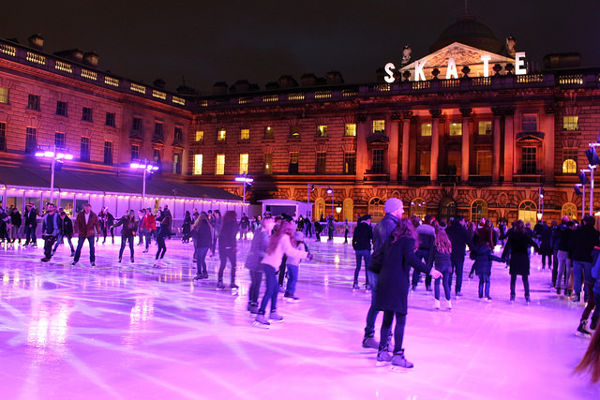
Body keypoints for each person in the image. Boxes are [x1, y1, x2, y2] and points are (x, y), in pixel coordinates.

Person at [373, 218, 442, 367]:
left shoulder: (390, 241)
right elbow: (412, 259)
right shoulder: (408, 241)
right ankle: (397, 354)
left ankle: (382, 352)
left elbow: (378, 257)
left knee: (387, 318)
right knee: (401, 318)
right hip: (398, 284)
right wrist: (430, 270)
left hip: (385, 281)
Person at [362, 198, 404, 349]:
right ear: (394, 210)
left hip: (375, 266)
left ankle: (369, 335)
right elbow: (390, 250)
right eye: (401, 208)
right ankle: (386, 339)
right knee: (389, 305)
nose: (403, 211)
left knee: (376, 304)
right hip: (383, 269)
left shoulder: (380, 224)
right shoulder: (392, 225)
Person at [254, 220, 308, 327]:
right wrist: (306, 255)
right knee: (270, 290)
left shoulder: (276, 236)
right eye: (291, 228)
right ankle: (260, 314)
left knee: (274, 290)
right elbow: (290, 252)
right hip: (270, 265)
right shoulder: (284, 237)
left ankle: (273, 312)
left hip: (269, 265)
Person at [502, 220, 539, 302]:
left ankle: (512, 295)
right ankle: (527, 295)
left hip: (515, 257)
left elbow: (507, 246)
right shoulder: (525, 235)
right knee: (525, 278)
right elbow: (533, 243)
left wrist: (503, 256)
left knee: (513, 278)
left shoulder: (512, 235)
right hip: (523, 258)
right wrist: (539, 249)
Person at [246, 216, 274, 313]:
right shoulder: (263, 234)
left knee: (254, 282)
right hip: (257, 261)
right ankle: (253, 303)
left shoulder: (260, 232)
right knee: (256, 283)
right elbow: (262, 248)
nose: (273, 224)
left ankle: (251, 302)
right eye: (271, 222)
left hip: (253, 260)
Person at [570, 215, 600, 303]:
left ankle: (577, 294)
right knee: (588, 278)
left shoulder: (577, 231)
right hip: (589, 258)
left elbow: (572, 244)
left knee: (577, 276)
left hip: (577, 256)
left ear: (584, 222)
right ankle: (587, 295)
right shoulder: (596, 233)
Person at [428, 226, 453, 310]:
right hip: (448, 265)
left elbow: (431, 256)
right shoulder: (448, 243)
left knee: (437, 283)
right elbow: (450, 255)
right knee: (446, 284)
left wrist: (429, 266)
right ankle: (449, 303)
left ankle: (437, 303)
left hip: (439, 266)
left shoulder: (435, 244)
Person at [446, 216, 470, 296]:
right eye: (463, 221)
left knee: (449, 272)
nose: (464, 223)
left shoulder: (448, 229)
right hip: (459, 255)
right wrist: (475, 250)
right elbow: (469, 241)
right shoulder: (463, 230)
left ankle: (448, 288)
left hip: (450, 254)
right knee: (459, 273)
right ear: (460, 221)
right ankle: (458, 290)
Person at [284, 230, 310, 302]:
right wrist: (308, 257)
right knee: (294, 279)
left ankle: (287, 292)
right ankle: (291, 293)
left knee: (290, 278)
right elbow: (303, 254)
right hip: (294, 263)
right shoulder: (301, 245)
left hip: (288, 262)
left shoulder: (292, 243)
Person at [411, 215, 436, 291]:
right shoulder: (432, 229)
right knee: (429, 268)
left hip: (419, 249)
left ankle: (414, 284)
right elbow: (433, 242)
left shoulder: (419, 228)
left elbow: (415, 238)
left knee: (417, 266)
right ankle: (428, 285)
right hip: (428, 251)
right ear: (430, 220)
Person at [217, 210, 239, 289]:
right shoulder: (232, 224)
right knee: (232, 265)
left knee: (223, 264)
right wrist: (232, 246)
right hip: (229, 248)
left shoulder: (225, 224)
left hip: (224, 247)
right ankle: (231, 282)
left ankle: (220, 281)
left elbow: (223, 236)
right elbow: (231, 236)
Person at [352, 215, 373, 289]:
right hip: (366, 249)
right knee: (367, 267)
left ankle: (355, 283)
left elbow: (354, 239)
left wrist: (355, 247)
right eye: (370, 220)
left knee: (358, 266)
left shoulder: (357, 228)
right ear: (367, 220)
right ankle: (368, 284)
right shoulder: (369, 228)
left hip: (358, 249)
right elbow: (372, 238)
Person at [191, 212, 213, 280]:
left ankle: (199, 274)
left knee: (199, 259)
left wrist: (187, 236)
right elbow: (210, 236)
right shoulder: (208, 225)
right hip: (206, 245)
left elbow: (194, 234)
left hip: (201, 244)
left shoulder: (199, 225)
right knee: (202, 259)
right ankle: (205, 273)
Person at [555, 217, 572, 296]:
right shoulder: (570, 232)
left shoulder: (559, 230)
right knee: (568, 271)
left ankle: (558, 286)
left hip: (560, 250)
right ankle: (566, 287)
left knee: (560, 269)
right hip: (568, 252)